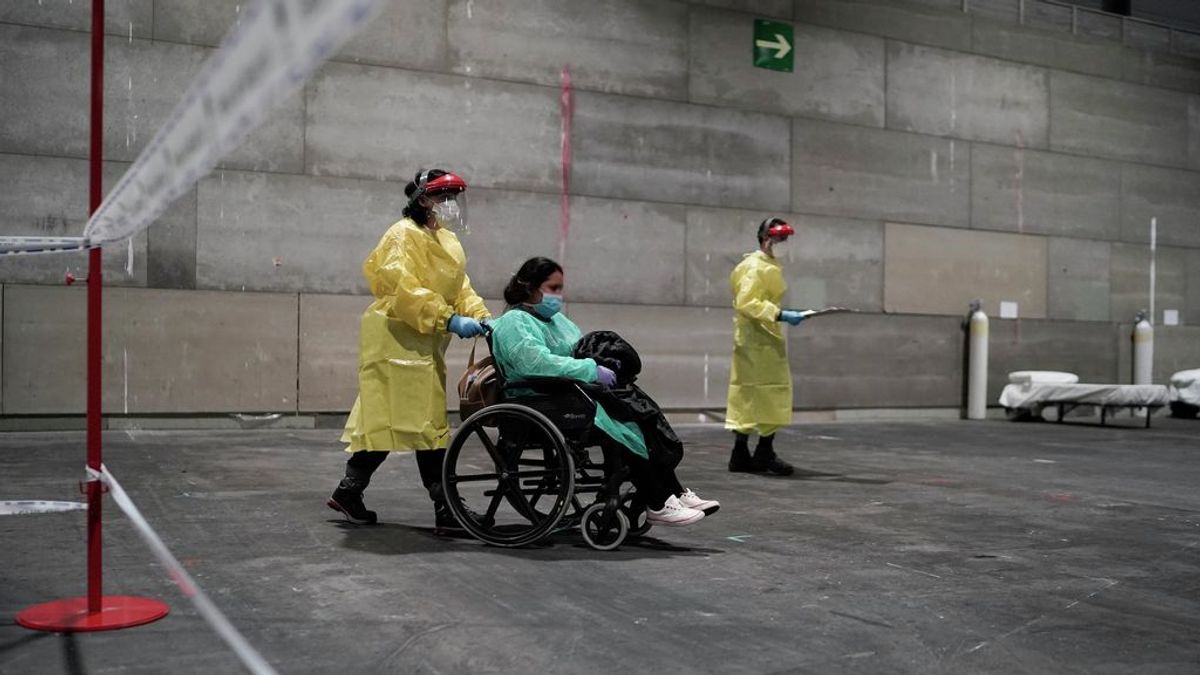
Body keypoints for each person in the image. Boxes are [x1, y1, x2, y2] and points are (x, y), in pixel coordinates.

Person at [489, 257, 719, 526]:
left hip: (566, 394)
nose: (558, 296)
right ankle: (658, 500)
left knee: (639, 413)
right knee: (623, 424)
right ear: (530, 288)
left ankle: (672, 491)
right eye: (553, 288)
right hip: (539, 400)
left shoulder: (557, 322)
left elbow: (578, 350)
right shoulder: (513, 323)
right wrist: (590, 368)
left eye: (561, 288)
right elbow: (536, 363)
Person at [327, 169, 491, 528]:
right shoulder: (401, 236)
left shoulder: (445, 240)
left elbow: (460, 286)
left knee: (403, 420)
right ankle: (446, 507)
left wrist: (481, 315)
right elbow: (402, 289)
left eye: (453, 197)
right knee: (416, 422)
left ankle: (348, 491)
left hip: (423, 342)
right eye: (443, 197)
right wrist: (447, 319)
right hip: (396, 340)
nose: (450, 205)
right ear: (422, 199)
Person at [725, 217, 805, 476]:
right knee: (764, 393)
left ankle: (746, 453)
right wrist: (780, 314)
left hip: (759, 338)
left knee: (751, 393)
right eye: (781, 239)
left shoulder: (765, 265)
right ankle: (761, 452)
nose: (784, 244)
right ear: (766, 238)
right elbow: (747, 302)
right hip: (757, 338)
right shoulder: (754, 267)